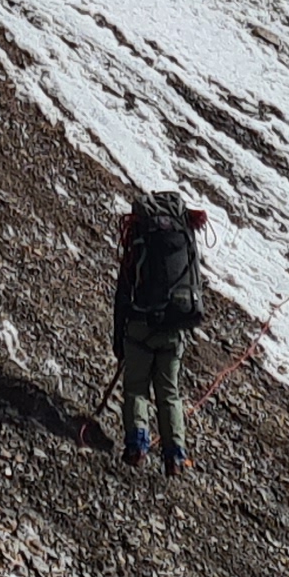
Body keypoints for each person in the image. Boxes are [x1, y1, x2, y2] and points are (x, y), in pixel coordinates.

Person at [110, 191, 209, 475]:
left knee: (136, 388)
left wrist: (119, 338)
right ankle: (174, 455)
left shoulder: (140, 238)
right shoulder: (185, 235)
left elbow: (124, 290)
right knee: (169, 393)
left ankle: (137, 446)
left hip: (140, 325)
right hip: (174, 328)